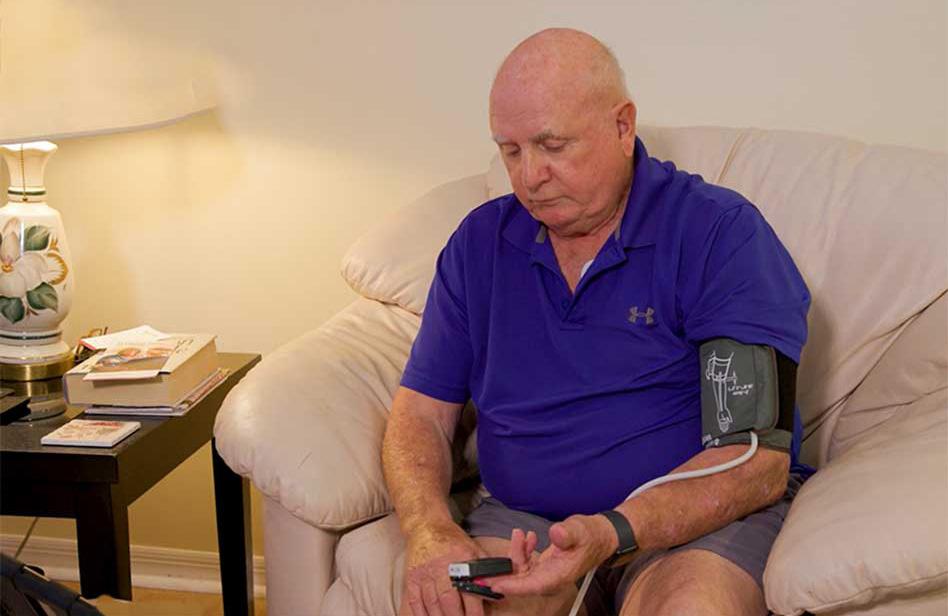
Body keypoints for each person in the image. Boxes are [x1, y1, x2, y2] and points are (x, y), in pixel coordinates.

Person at [382, 28, 810, 616]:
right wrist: (429, 530)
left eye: (553, 146)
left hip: (693, 527)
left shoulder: (718, 234)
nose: (530, 176)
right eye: (511, 151)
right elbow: (420, 414)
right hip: (524, 522)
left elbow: (753, 462)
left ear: (622, 126)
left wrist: (614, 530)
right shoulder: (479, 244)